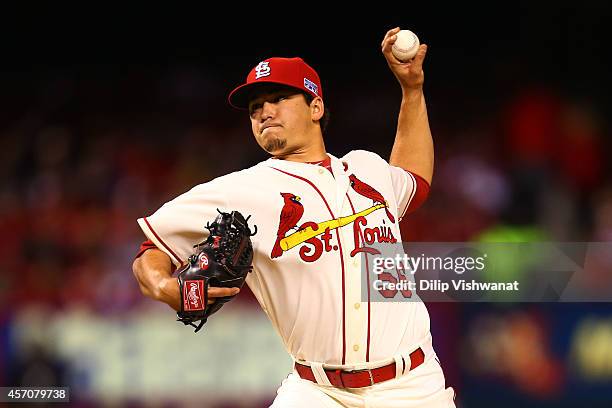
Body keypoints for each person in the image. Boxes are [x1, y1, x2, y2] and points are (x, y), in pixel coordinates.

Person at [132, 27, 455, 407]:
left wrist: (412, 91)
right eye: (255, 107)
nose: (264, 112)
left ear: (316, 107)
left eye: (278, 98)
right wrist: (168, 288)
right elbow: (150, 250)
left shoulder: (367, 168)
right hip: (317, 390)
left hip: (412, 385)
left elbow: (415, 180)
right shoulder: (239, 190)